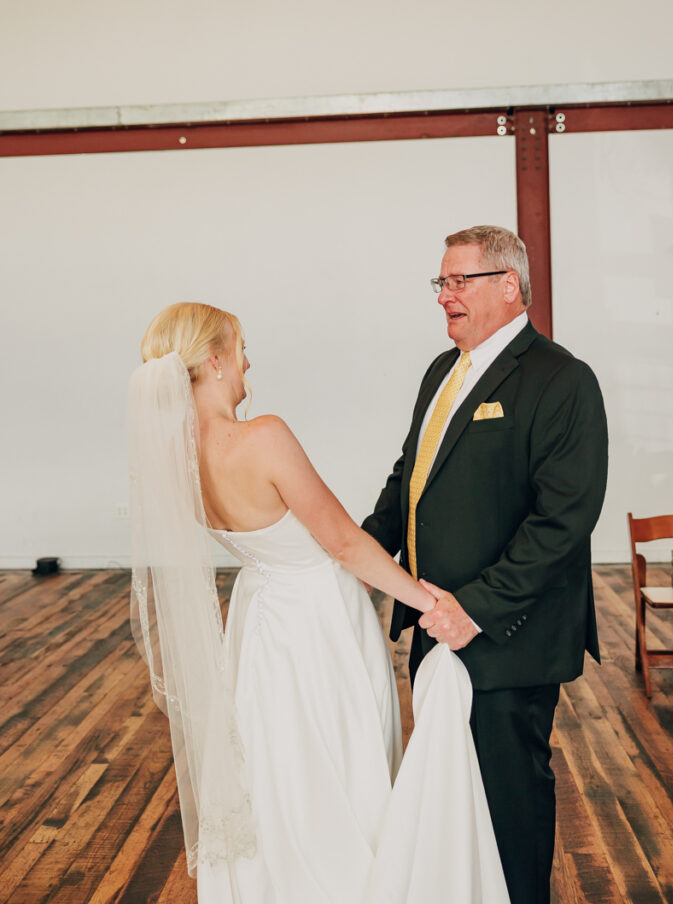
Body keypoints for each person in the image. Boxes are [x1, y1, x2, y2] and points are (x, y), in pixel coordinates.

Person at [127, 301, 510, 904]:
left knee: (277, 762)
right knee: (339, 755)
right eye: (242, 346)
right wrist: (431, 602)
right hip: (317, 622)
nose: (250, 360)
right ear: (216, 360)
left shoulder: (178, 458)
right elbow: (341, 540)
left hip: (258, 623)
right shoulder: (262, 436)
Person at [362, 226, 608, 904]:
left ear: (508, 285)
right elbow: (408, 480)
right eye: (439, 283)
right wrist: (357, 553)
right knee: (449, 799)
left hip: (506, 636)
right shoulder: (441, 372)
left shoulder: (562, 380)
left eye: (457, 281)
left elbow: (561, 520)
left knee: (506, 801)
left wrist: (474, 608)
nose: (444, 296)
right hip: (432, 625)